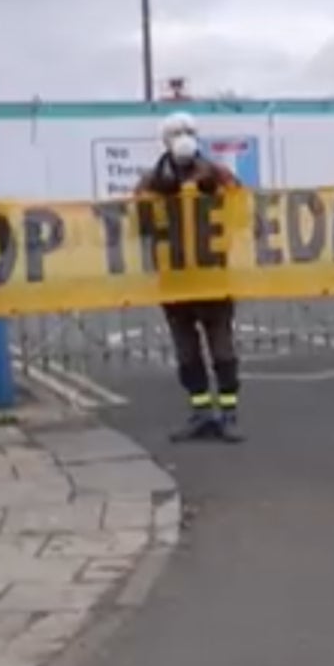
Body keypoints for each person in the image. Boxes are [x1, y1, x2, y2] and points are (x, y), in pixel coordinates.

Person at [136, 112, 245, 443]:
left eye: (187, 132)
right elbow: (138, 224)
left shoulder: (217, 173)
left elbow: (243, 213)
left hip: (213, 276)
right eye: (174, 133)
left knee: (222, 349)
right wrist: (156, 196)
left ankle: (228, 413)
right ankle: (199, 412)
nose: (182, 137)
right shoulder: (151, 179)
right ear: (164, 141)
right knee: (186, 353)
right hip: (175, 280)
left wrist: (218, 193)